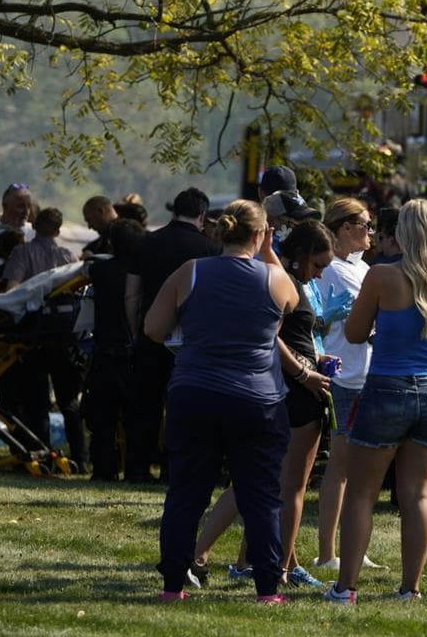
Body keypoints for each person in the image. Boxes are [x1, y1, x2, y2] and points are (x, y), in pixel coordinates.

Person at [146, 199, 299, 603]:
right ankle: (267, 587)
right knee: (262, 495)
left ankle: (173, 584)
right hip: (258, 400)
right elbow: (294, 304)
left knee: (185, 493)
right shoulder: (275, 279)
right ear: (260, 234)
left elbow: (153, 328)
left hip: (195, 392)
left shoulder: (190, 272)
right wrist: (268, 252)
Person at [325, 199, 427, 604]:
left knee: (362, 492)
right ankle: (410, 588)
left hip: (386, 387)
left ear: (404, 232)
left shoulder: (383, 275)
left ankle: (346, 587)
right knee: (418, 494)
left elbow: (353, 333)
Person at [124, 187, 220, 483]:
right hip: (191, 340)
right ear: (203, 215)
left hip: (151, 334)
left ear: (173, 210)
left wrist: (135, 330)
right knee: (180, 406)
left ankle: (137, 468)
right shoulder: (208, 249)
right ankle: (171, 467)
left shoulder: (145, 242)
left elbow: (131, 295)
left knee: (145, 405)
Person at [313, 198, 377, 571]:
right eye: (365, 225)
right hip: (346, 375)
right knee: (340, 466)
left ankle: (350, 545)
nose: (370, 232)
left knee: (355, 468)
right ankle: (326, 552)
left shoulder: (361, 267)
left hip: (363, 371)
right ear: (344, 227)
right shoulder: (336, 270)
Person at [0, 207, 87, 468]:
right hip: (65, 338)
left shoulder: (22, 253)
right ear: (58, 231)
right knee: (69, 403)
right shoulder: (68, 255)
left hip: (34, 338)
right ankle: (81, 458)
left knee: (37, 403)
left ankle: (43, 456)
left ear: (34, 225)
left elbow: (12, 289)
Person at [83, 217, 145, 481]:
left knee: (103, 418)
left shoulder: (100, 271)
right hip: (133, 352)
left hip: (106, 351)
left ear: (110, 243)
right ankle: (135, 469)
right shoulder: (143, 273)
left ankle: (104, 469)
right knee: (135, 418)